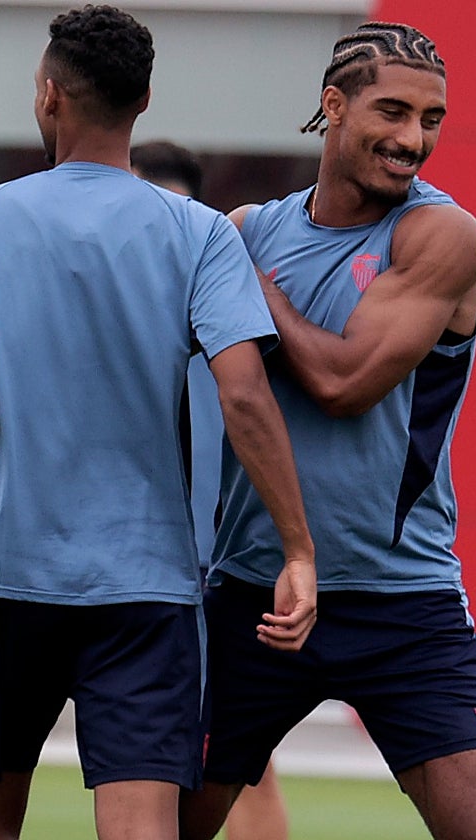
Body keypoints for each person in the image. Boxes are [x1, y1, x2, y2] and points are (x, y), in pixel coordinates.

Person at [0, 6, 316, 840]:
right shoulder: (202, 234)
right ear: (141, 104)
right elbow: (245, 397)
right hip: (147, 586)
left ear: (48, 94)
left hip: (11, 578)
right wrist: (296, 549)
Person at [180, 21, 476, 840]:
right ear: (334, 106)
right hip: (252, 596)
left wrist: (250, 289)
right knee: (159, 829)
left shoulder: (442, 236)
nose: (413, 140)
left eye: (431, 121)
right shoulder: (251, 232)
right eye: (394, 113)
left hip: (403, 599)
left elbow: (343, 383)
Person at [130, 139, 292, 840]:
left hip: (199, 572)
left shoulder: (220, 316)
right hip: (146, 570)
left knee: (227, 771)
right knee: (220, 769)